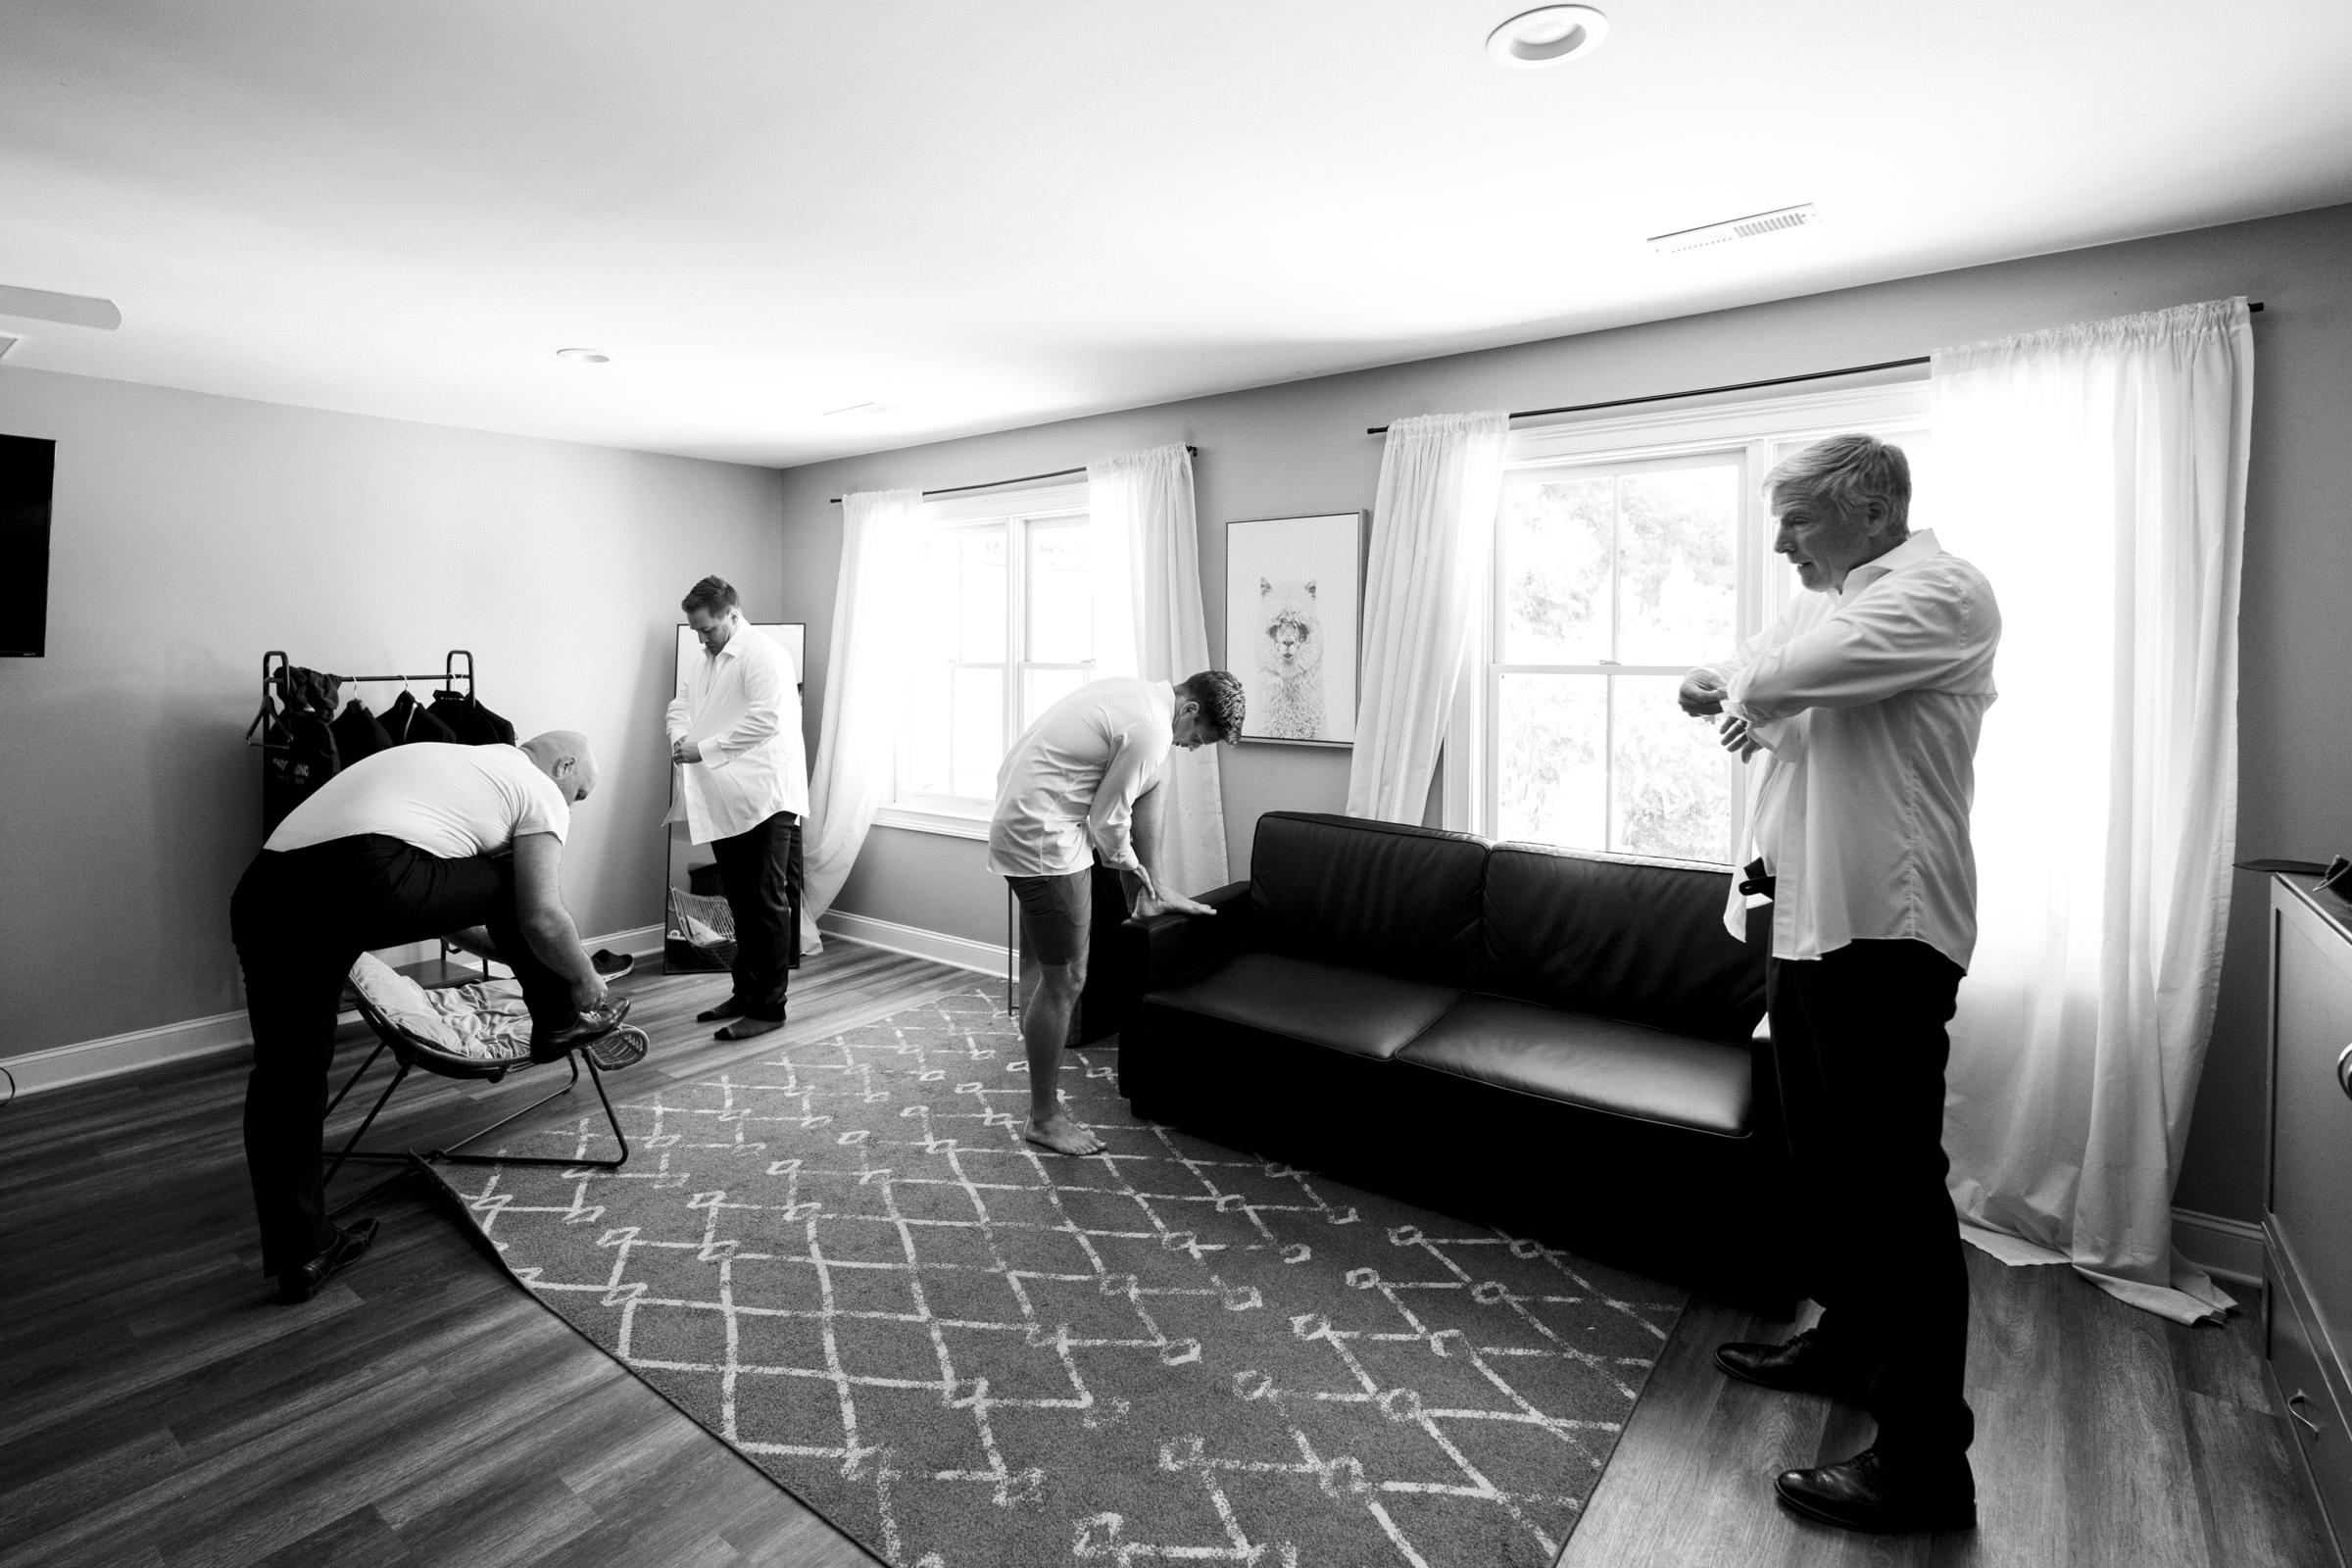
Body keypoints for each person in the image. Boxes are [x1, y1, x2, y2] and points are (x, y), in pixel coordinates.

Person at [1678, 433, 2000, 1536]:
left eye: (1798, 521)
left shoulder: (1940, 591)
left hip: (1888, 929)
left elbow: (1779, 672)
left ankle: (1926, 1464)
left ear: (1871, 511)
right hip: (1808, 916)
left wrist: (1742, 687)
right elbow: (1761, 671)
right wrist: (1743, 686)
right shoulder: (1833, 603)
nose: (1778, 543)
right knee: (1826, 1164)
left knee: (1899, 1196)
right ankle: (1847, 1342)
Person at [230, 732, 627, 1304]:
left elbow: (444, 913)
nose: (572, 807)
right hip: (357, 874)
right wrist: (584, 979)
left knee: (286, 1077)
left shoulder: (458, 768)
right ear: (563, 766)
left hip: (267, 892)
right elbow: (538, 915)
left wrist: (520, 952)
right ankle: (560, 1021)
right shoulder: (537, 788)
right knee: (521, 885)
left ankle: (304, 1250)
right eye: (580, 794)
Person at [988, 671, 1245, 1154]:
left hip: (1032, 819)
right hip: (1042, 837)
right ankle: (1043, 1117)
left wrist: (1142, 874)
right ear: (1189, 710)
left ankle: (1157, 888)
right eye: (1198, 739)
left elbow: (1126, 797)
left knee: (1050, 972)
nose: (1191, 746)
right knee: (1067, 980)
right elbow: (1108, 821)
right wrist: (1129, 867)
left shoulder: (1140, 697)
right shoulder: (1151, 729)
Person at [665, 575, 808, 1041]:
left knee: (766, 906)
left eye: (706, 629)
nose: (701, 638)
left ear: (731, 613)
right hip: (725, 799)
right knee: (742, 905)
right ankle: (744, 994)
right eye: (695, 631)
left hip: (764, 799)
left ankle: (768, 1010)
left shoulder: (765, 654)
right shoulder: (705, 657)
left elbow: (768, 719)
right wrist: (679, 738)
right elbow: (680, 705)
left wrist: (703, 748)